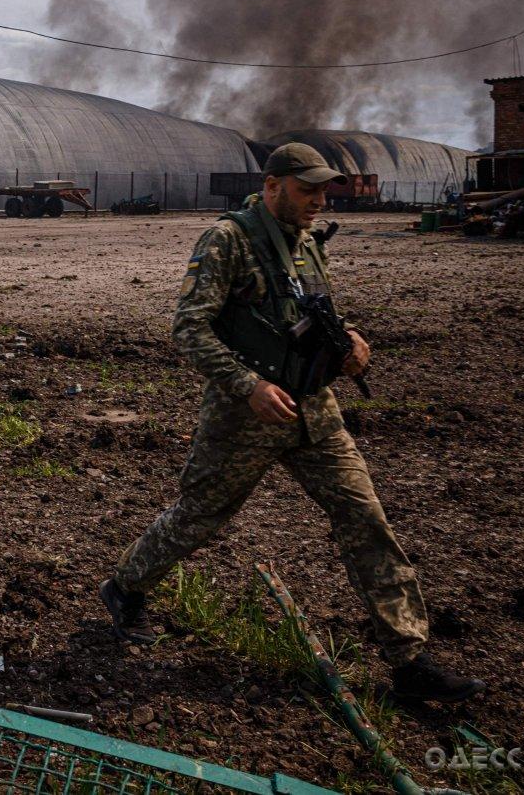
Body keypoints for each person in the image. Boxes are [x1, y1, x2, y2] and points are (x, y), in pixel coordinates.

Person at [99, 143, 484, 702]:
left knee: (364, 517)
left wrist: (349, 343)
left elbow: (313, 313)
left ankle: (409, 660)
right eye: (308, 189)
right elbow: (188, 328)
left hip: (315, 411)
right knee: (200, 515)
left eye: (324, 190)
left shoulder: (307, 243)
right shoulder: (227, 240)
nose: (319, 199)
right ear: (273, 184)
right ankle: (126, 587)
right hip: (245, 415)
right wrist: (247, 385)